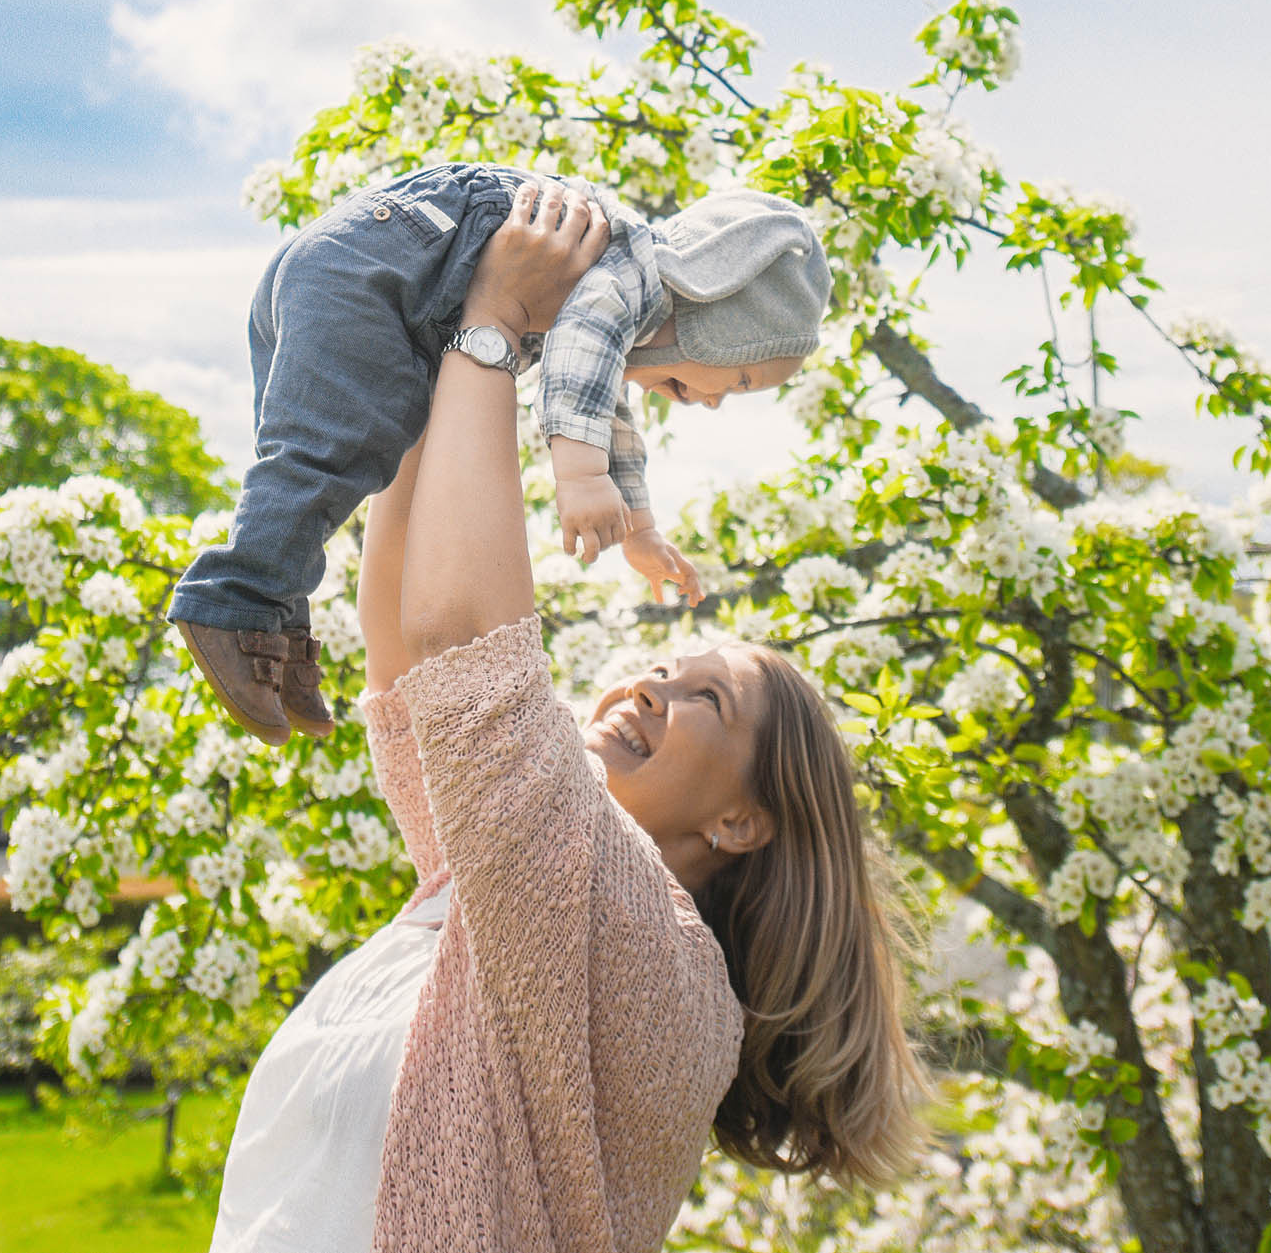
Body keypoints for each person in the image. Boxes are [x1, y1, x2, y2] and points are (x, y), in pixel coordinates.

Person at [211, 185, 923, 1252]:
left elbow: (459, 642)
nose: (648, 687)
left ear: (742, 821)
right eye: (661, 663)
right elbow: (411, 647)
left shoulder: (651, 957)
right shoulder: (492, 889)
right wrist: (451, 326)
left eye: (704, 700)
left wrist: (494, 332)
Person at [172, 167, 830, 744]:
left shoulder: (624, 303)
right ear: (719, 309)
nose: (717, 401)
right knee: (326, 457)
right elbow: (583, 352)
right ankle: (230, 599)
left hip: (348, 270)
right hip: (368, 277)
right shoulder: (629, 272)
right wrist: (579, 477)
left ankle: (277, 622)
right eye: (741, 378)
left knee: (317, 461)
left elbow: (604, 401)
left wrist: (639, 525)